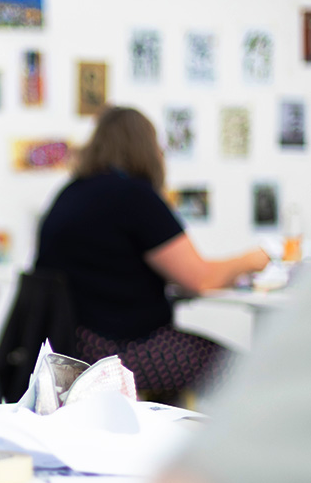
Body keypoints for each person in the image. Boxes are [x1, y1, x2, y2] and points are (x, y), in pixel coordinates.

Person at [34, 106, 269, 403]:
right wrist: (257, 258)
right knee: (247, 369)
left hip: (71, 347)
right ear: (145, 147)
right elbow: (200, 279)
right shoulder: (133, 196)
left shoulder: (70, 194)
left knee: (178, 373)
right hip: (116, 351)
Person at [110, 269, 311, 483]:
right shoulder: (143, 221)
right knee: (231, 363)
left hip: (88, 337)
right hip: (130, 346)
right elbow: (200, 276)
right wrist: (255, 257)